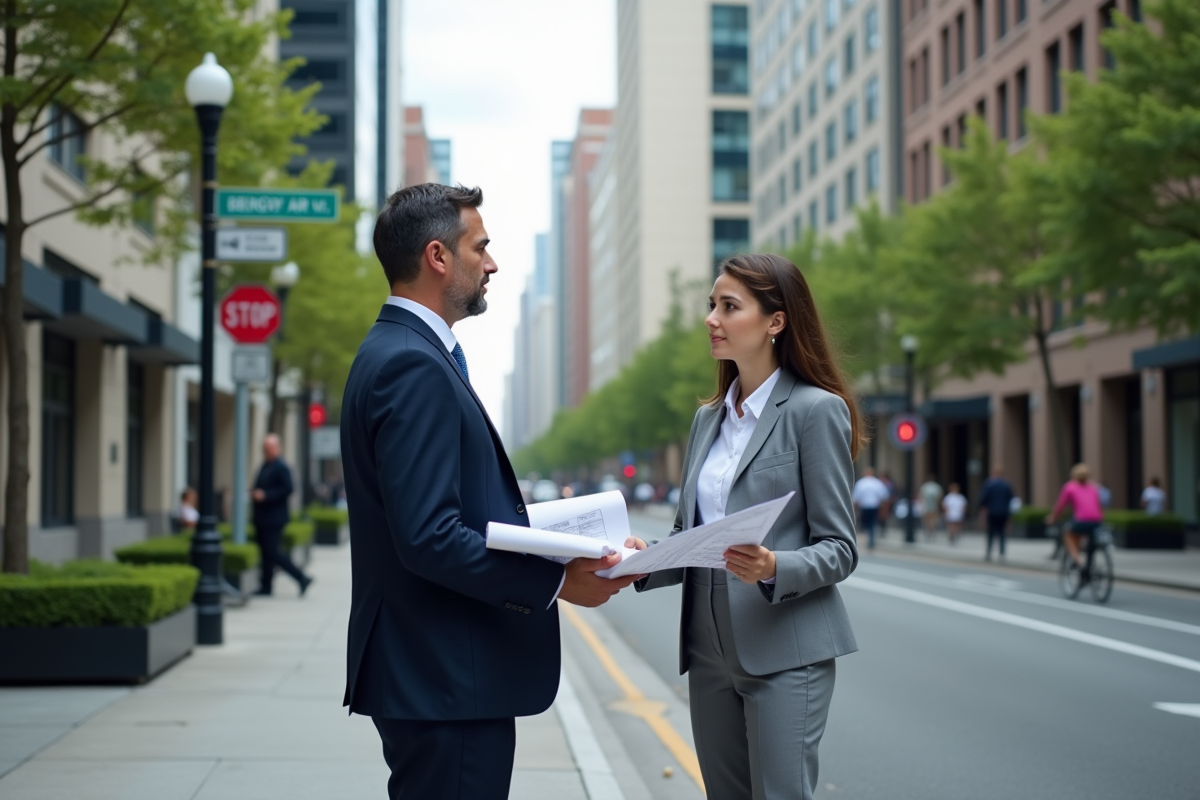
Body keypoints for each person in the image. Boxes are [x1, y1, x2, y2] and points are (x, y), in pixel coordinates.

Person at [340, 184, 638, 800]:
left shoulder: (405, 352)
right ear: (437, 256)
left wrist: (566, 545)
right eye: (480, 247)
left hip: (437, 675)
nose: (492, 264)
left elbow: (447, 514)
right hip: (444, 676)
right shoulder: (412, 365)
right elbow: (429, 537)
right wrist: (556, 581)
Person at [629, 253, 861, 800]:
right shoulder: (706, 419)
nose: (711, 318)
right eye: (712, 305)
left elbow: (840, 548)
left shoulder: (815, 410)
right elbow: (690, 534)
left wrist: (774, 565)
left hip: (785, 647)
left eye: (729, 307)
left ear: (775, 321)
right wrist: (642, 559)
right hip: (708, 651)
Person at [251, 434, 313, 597]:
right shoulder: (265, 465)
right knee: (266, 553)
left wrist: (266, 495)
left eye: (270, 448)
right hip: (262, 517)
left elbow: (288, 488)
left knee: (273, 552)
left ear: (278, 448)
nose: (266, 451)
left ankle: (301, 577)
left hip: (274, 518)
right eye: (265, 448)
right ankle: (266, 586)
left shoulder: (281, 467)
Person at [1046, 463, 1105, 581]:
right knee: (1089, 540)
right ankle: (1090, 566)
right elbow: (1099, 505)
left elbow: (1060, 506)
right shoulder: (1094, 487)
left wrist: (1053, 517)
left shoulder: (1069, 487)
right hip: (1097, 521)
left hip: (1081, 520)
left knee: (1068, 534)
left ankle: (1079, 561)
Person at [977, 465, 1015, 561]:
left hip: (992, 512)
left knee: (991, 533)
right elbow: (1011, 498)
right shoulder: (1006, 484)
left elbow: (983, 498)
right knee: (1002, 532)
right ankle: (1002, 553)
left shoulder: (990, 484)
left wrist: (981, 508)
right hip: (1004, 512)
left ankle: (989, 553)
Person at [852, 467, 891, 549]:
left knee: (866, 523)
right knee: (872, 523)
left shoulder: (861, 483)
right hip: (874, 506)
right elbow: (884, 496)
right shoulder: (877, 483)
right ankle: (871, 539)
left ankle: (869, 539)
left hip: (865, 506)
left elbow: (856, 498)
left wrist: (854, 509)